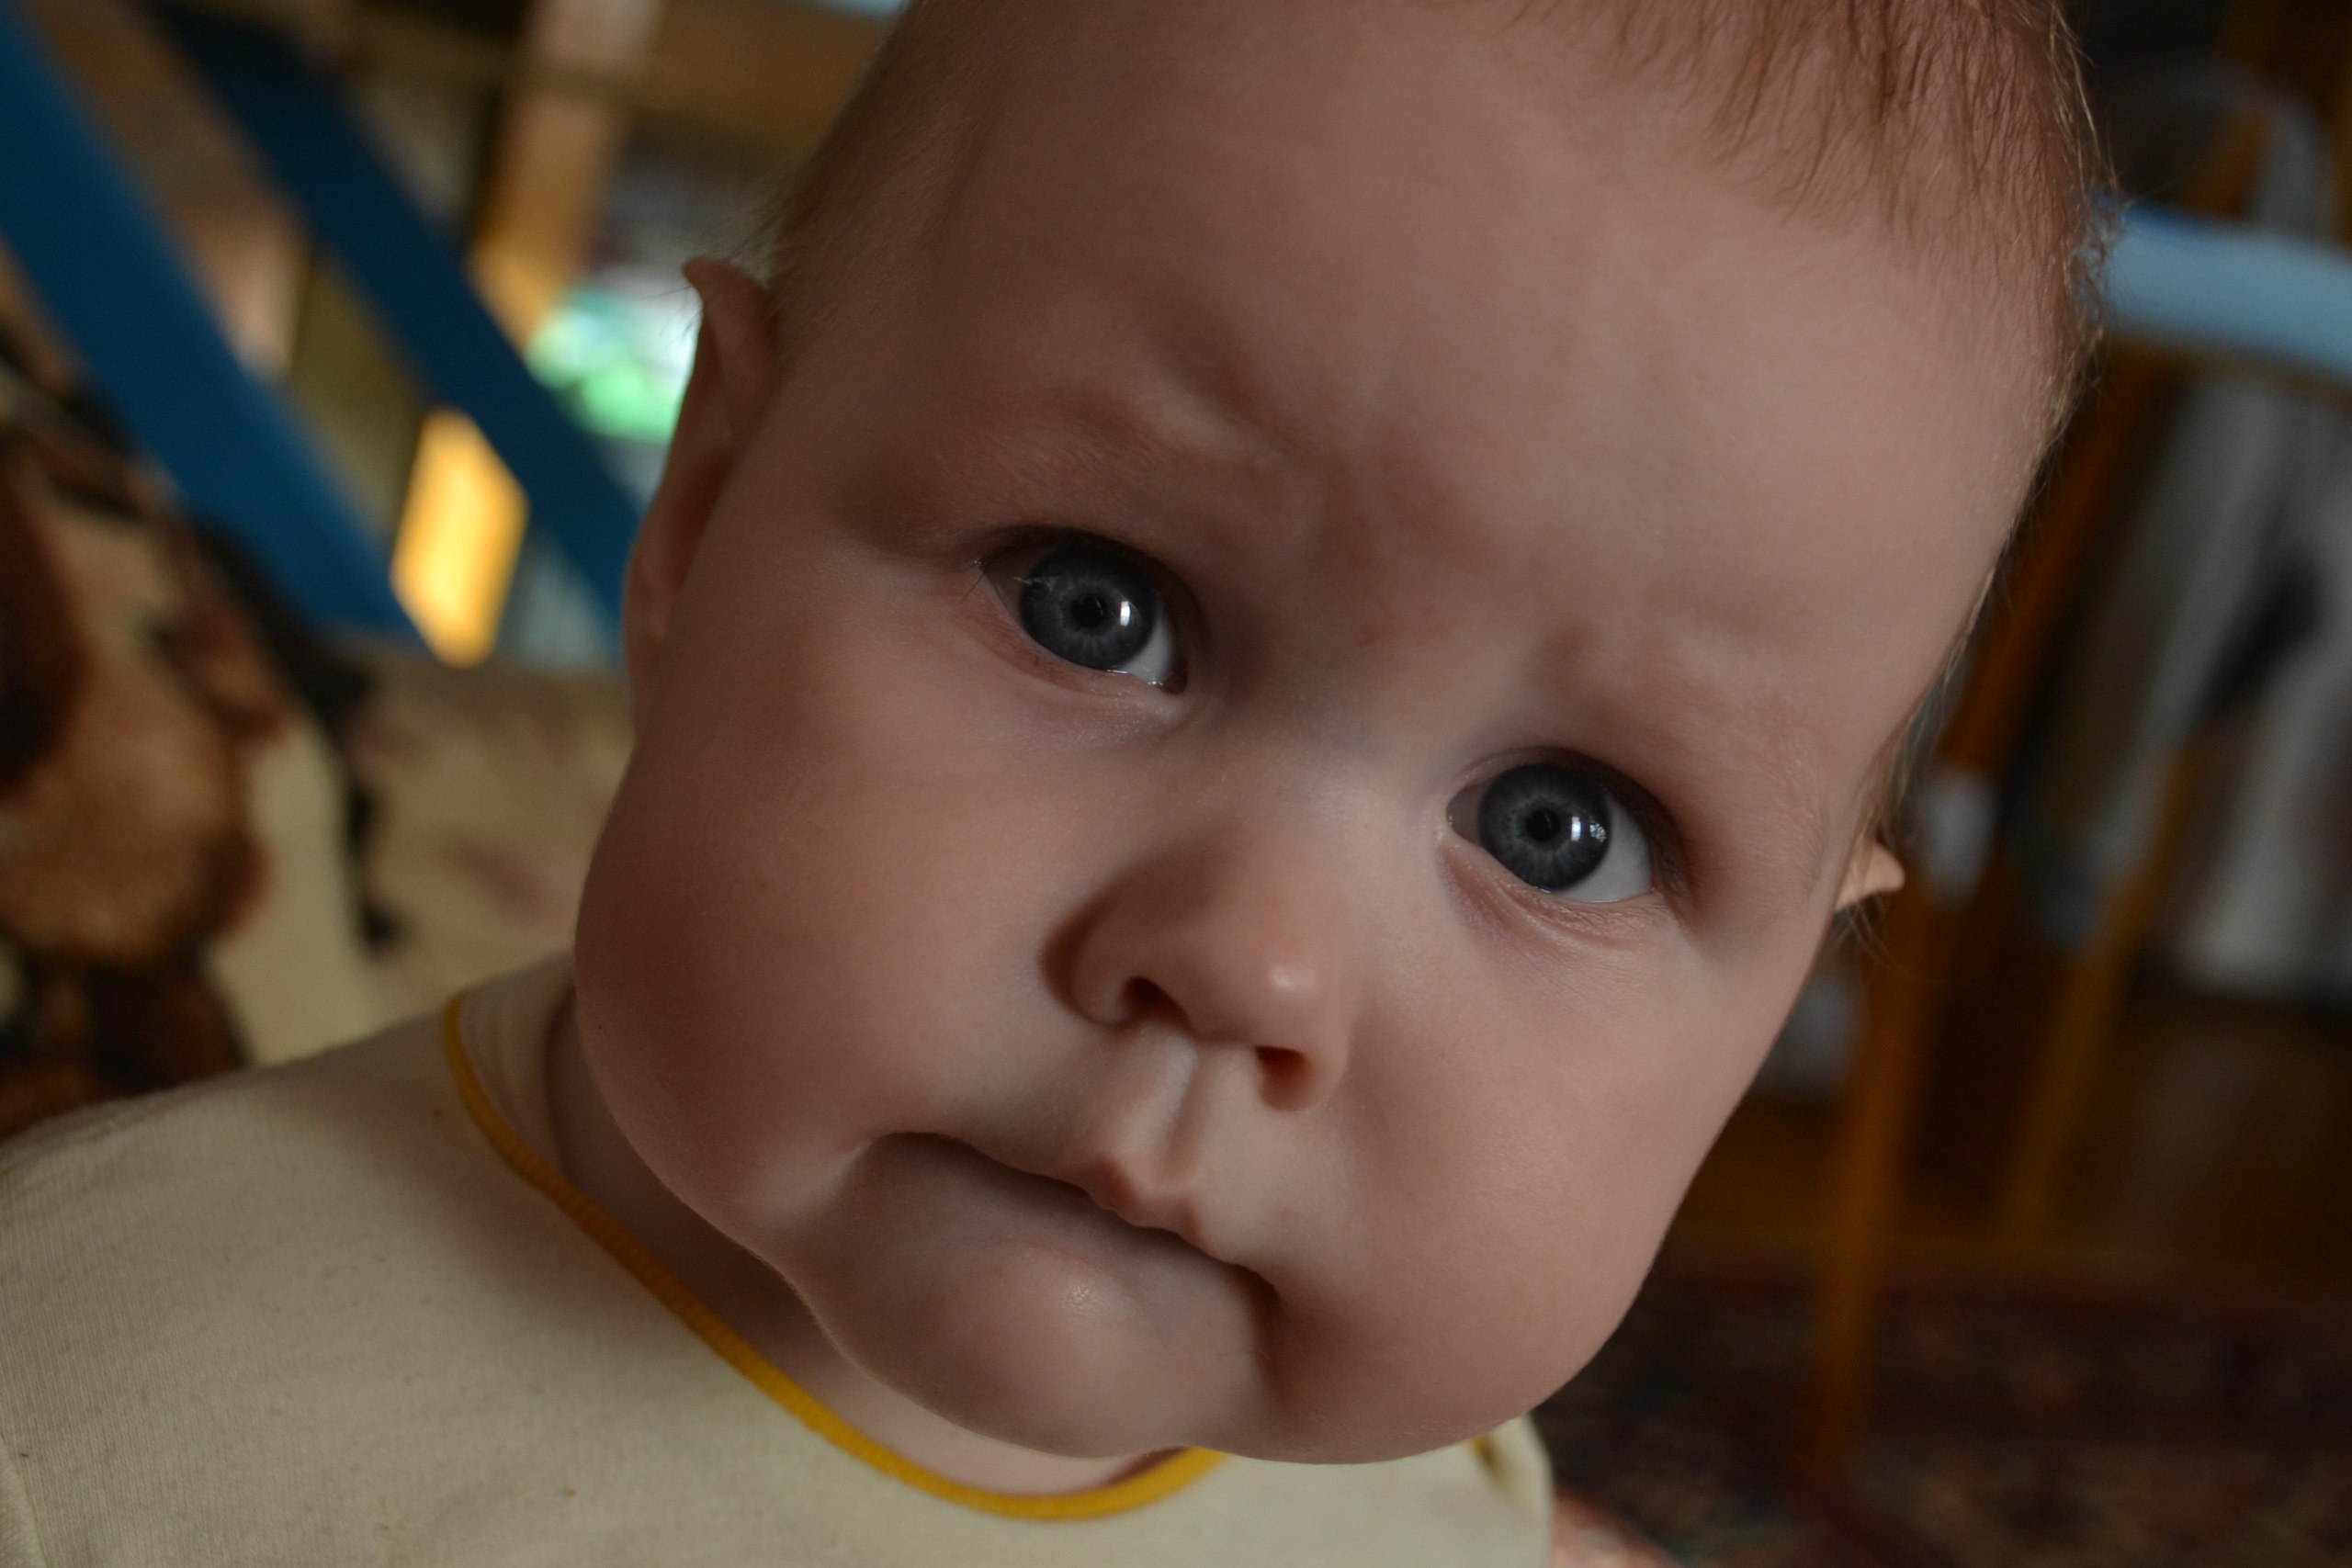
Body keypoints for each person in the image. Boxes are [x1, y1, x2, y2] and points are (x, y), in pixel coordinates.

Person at [0, 1, 2101, 1562]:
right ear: (704, 516)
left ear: (1787, 983)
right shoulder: (103, 1394)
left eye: (1562, 827)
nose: (1248, 960)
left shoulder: (1416, 1492)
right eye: (1095, 607)